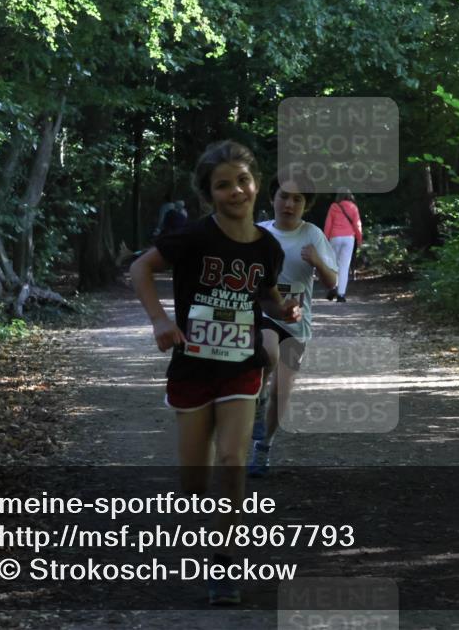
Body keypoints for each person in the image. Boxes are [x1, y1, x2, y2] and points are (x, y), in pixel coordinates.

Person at [129, 140, 300, 605]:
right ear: (209, 194)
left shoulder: (267, 247)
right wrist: (160, 320)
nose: (236, 191)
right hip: (192, 367)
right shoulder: (193, 237)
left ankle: (224, 565)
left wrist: (284, 308)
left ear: (256, 184)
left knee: (231, 459)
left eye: (242, 181)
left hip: (241, 365)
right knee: (194, 483)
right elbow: (141, 268)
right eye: (223, 185)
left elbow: (265, 297)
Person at [249, 170, 338, 477]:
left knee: (282, 393)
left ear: (306, 204)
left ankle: (264, 448)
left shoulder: (313, 234)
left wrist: (318, 262)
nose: (289, 204)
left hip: (297, 321)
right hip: (264, 313)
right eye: (283, 197)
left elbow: (332, 284)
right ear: (272, 198)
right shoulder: (258, 232)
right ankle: (258, 399)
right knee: (268, 352)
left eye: (297, 199)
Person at [323, 188, 362, 302]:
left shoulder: (333, 206)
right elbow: (357, 225)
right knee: (344, 266)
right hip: (349, 238)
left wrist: (325, 239)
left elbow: (328, 224)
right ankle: (341, 295)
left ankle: (332, 288)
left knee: (333, 264)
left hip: (335, 237)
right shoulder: (353, 207)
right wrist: (359, 239)